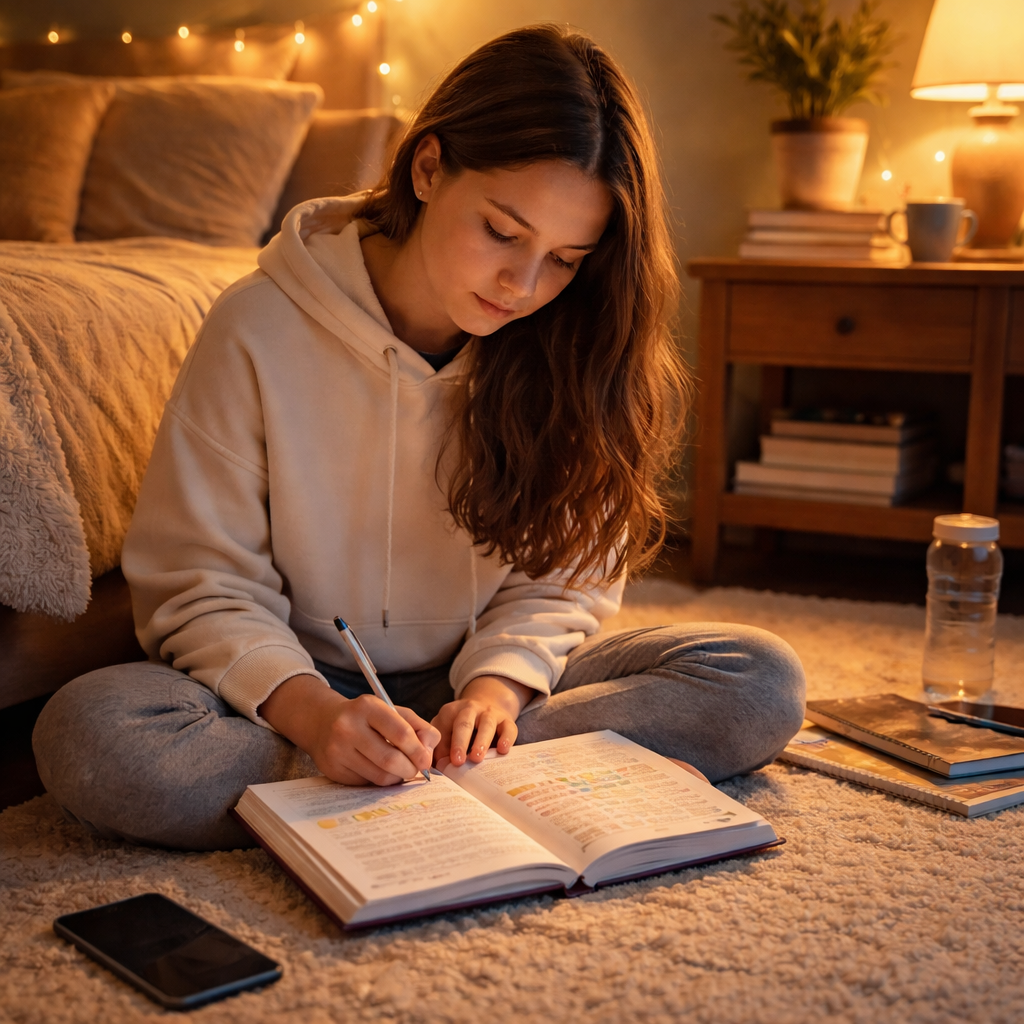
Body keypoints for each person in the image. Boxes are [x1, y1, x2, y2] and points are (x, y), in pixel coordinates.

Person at [33, 25, 805, 851]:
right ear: (428, 167)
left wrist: (498, 694)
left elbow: (566, 578)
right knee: (91, 733)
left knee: (758, 680)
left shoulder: (572, 344)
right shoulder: (256, 327)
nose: (523, 284)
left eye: (566, 258)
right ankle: (458, 779)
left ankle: (399, 782)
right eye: (503, 233)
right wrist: (319, 717)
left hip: (488, 686)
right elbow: (201, 581)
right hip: (295, 683)